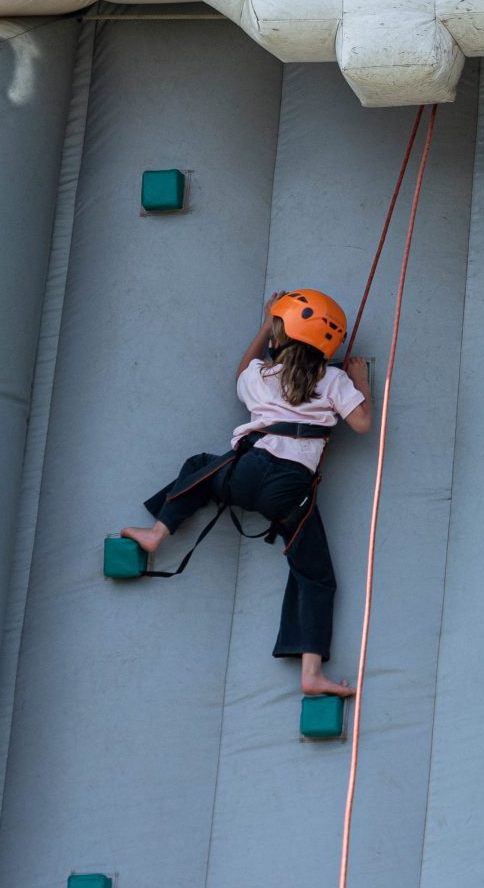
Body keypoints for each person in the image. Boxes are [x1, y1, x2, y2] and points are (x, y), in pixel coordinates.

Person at [121, 289, 373, 697]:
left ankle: (157, 533)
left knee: (199, 467)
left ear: (280, 336)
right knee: (315, 575)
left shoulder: (263, 375)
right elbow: (361, 424)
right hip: (288, 493)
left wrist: (264, 324)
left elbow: (241, 371)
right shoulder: (335, 381)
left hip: (244, 473)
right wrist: (361, 380)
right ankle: (311, 672)